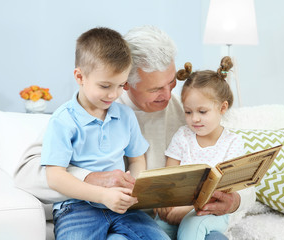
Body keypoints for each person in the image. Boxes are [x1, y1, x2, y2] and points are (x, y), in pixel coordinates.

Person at [14, 25, 255, 240]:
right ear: (126, 83)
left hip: (167, 220)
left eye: (171, 82)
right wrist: (91, 177)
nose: (168, 93)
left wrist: (235, 201)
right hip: (103, 211)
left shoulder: (191, 113)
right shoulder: (92, 110)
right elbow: (28, 173)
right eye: (156, 88)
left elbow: (241, 175)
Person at [40, 27, 169, 239]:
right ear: (80, 76)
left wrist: (131, 189)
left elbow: (137, 160)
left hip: (121, 207)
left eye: (121, 85)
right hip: (77, 208)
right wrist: (102, 195)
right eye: (105, 86)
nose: (113, 94)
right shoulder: (63, 120)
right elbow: (55, 177)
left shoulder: (125, 116)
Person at [154, 57, 246, 240]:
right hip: (177, 206)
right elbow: (169, 176)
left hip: (210, 212)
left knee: (192, 224)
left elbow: (221, 192)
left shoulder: (232, 143)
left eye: (202, 112)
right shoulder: (183, 136)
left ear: (222, 108)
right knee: (154, 229)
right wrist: (165, 203)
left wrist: (187, 209)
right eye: (188, 112)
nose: (194, 119)